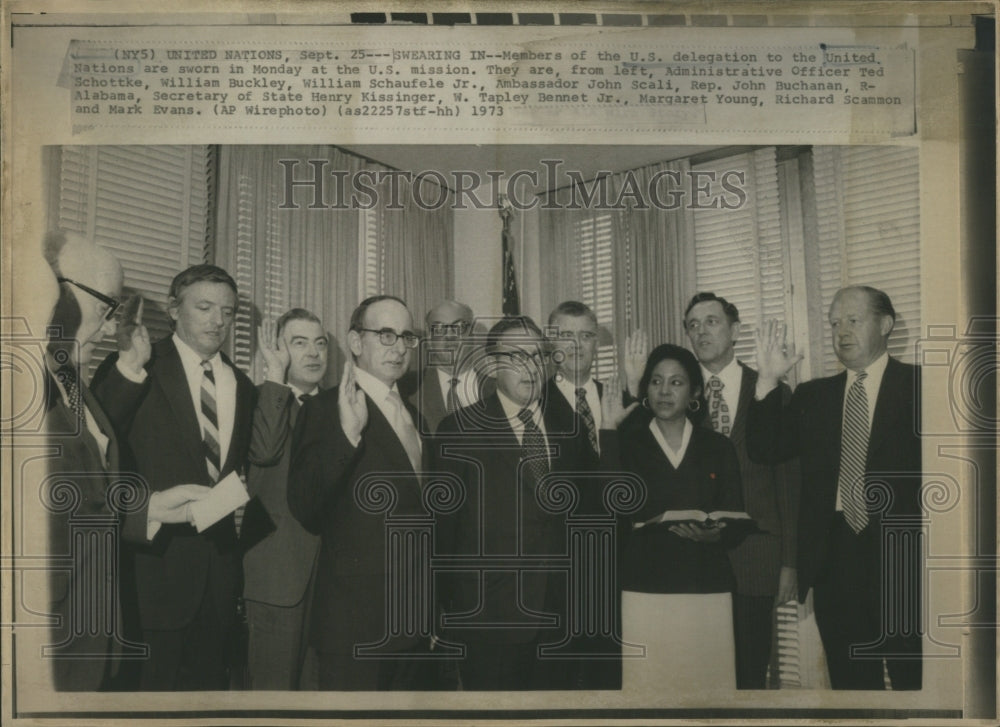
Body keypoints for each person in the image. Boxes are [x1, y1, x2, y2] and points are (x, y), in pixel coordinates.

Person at [433, 316, 635, 690]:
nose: (529, 365)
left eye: (536, 355)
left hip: (560, 622)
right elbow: (443, 537)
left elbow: (603, 511)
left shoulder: (569, 427)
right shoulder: (458, 431)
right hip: (489, 626)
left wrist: (608, 433)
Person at [747, 285, 922, 690]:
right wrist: (768, 381)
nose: (841, 331)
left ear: (886, 324)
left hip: (904, 560)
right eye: (834, 323)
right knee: (851, 685)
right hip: (835, 558)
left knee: (916, 681)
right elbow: (764, 449)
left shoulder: (921, 387)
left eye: (853, 321)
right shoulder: (814, 396)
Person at [91, 264, 256, 690]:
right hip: (152, 578)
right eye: (204, 307)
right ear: (173, 309)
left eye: (228, 311)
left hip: (217, 584)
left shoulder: (242, 383)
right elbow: (97, 439)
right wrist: (130, 369)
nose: (217, 321)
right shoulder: (136, 364)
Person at [288, 295, 432, 690]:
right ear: (355, 342)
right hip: (355, 628)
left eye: (407, 336)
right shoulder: (324, 410)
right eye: (385, 334)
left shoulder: (415, 417)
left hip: (414, 626)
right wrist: (347, 435)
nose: (399, 347)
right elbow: (304, 505)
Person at [683, 292, 800, 689]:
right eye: (693, 325)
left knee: (750, 673)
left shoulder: (771, 389)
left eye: (711, 322)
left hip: (757, 556)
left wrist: (790, 561)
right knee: (701, 675)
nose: (701, 331)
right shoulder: (678, 396)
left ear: (734, 331)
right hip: (695, 558)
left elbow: (788, 483)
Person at [617, 344, 744, 693]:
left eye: (676, 383)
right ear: (645, 390)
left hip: (705, 583)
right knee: (649, 687)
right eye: (656, 381)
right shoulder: (626, 444)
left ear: (695, 392)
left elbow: (734, 514)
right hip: (644, 585)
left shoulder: (718, 446)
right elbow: (610, 512)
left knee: (708, 689)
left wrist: (716, 534)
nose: (664, 391)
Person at [41, 231, 125, 690]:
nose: (112, 328)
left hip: (90, 635)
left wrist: (156, 510)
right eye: (106, 307)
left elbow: (90, 499)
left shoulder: (76, 387)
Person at [242, 308, 328, 689]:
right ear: (278, 349)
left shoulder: (345, 405)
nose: (314, 353)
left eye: (320, 343)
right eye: (300, 343)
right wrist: (274, 378)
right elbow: (263, 454)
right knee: (271, 695)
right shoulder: (260, 400)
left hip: (331, 580)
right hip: (277, 577)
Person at [543, 301, 647, 464]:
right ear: (551, 343)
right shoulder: (537, 401)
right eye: (566, 336)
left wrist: (633, 383)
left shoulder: (617, 397)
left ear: (596, 344)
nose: (576, 345)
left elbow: (638, 458)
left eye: (585, 336)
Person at [408, 299, 491, 434]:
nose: (449, 336)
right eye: (439, 328)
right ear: (429, 339)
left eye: (458, 327)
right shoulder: (408, 389)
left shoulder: (498, 389)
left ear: (472, 335)